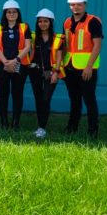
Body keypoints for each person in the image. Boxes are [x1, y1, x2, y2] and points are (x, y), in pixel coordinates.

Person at [63, 0, 103, 138]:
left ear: (85, 5)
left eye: (79, 4)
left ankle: (93, 131)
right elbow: (66, 45)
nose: (75, 7)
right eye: (72, 4)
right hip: (70, 67)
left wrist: (89, 66)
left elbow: (97, 45)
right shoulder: (67, 22)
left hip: (86, 69)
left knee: (89, 100)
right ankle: (72, 127)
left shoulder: (93, 21)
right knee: (74, 99)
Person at [0, 0, 31, 130]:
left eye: (14, 12)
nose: (11, 14)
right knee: (3, 94)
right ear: (5, 14)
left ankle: (16, 123)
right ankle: (4, 122)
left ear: (18, 13)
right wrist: (5, 62)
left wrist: (15, 60)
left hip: (19, 64)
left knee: (17, 94)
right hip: (2, 64)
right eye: (8, 12)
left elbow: (27, 46)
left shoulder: (24, 27)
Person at [29, 8, 65, 138]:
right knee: (38, 99)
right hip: (35, 71)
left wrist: (56, 72)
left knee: (46, 99)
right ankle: (40, 126)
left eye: (45, 21)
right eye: (40, 21)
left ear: (50, 22)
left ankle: (42, 128)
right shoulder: (33, 37)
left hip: (51, 72)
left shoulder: (57, 38)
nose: (42, 24)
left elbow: (59, 57)